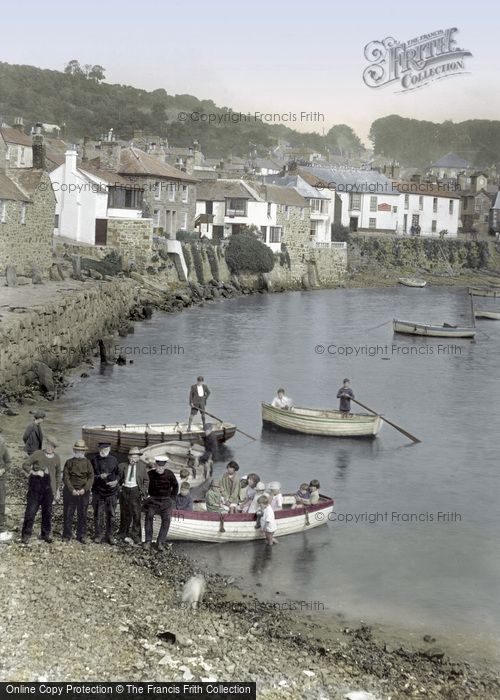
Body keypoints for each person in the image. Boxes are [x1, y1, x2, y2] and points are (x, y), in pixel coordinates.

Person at [21, 436, 61, 544]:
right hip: (35, 488)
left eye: (52, 447)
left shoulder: (57, 458)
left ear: (54, 448)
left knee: (47, 513)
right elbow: (25, 464)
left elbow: (58, 476)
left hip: (49, 490)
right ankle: (26, 535)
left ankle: (45, 534)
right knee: (30, 512)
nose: (50, 448)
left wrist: (57, 490)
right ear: (45, 444)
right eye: (48, 445)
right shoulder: (37, 454)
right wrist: (34, 472)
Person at [143, 455, 178, 552]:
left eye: (162, 467)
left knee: (167, 519)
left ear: (165, 466)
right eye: (158, 467)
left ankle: (160, 542)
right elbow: (144, 484)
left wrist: (172, 498)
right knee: (149, 515)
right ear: (155, 465)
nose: (160, 469)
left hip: (166, 501)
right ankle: (148, 541)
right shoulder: (150, 474)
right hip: (153, 500)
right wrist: (146, 495)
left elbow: (175, 486)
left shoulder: (169, 474)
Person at [62, 439, 94, 543]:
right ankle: (67, 535)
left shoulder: (88, 463)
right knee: (68, 514)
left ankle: (82, 535)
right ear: (74, 450)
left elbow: (91, 478)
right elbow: (65, 478)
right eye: (77, 450)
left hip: (83, 493)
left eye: (81, 450)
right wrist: (72, 490)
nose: (79, 452)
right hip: (70, 492)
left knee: (83, 515)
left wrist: (84, 490)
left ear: (84, 451)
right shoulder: (69, 462)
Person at [118, 446, 149, 545]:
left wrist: (142, 491)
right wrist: (119, 488)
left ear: (139, 458)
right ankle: (123, 533)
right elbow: (118, 478)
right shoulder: (122, 466)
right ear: (128, 457)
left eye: (135, 457)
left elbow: (146, 480)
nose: (133, 459)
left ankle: (135, 535)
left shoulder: (142, 467)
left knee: (136, 514)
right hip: (125, 490)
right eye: (131, 456)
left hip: (135, 490)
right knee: (124, 512)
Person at [91, 442, 121, 545]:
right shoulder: (93, 460)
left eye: (105, 449)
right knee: (98, 515)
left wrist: (116, 481)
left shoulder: (114, 460)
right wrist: (99, 477)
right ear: (99, 450)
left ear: (109, 449)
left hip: (112, 492)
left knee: (111, 515)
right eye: (101, 449)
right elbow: (90, 477)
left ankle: (110, 535)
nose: (103, 451)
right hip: (98, 492)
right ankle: (98, 535)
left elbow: (118, 474)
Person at [0, 431, 13, 543]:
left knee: (1, 502)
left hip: (0, 479)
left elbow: (8, 462)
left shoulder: (3, 447)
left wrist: (3, 470)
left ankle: (1, 528)